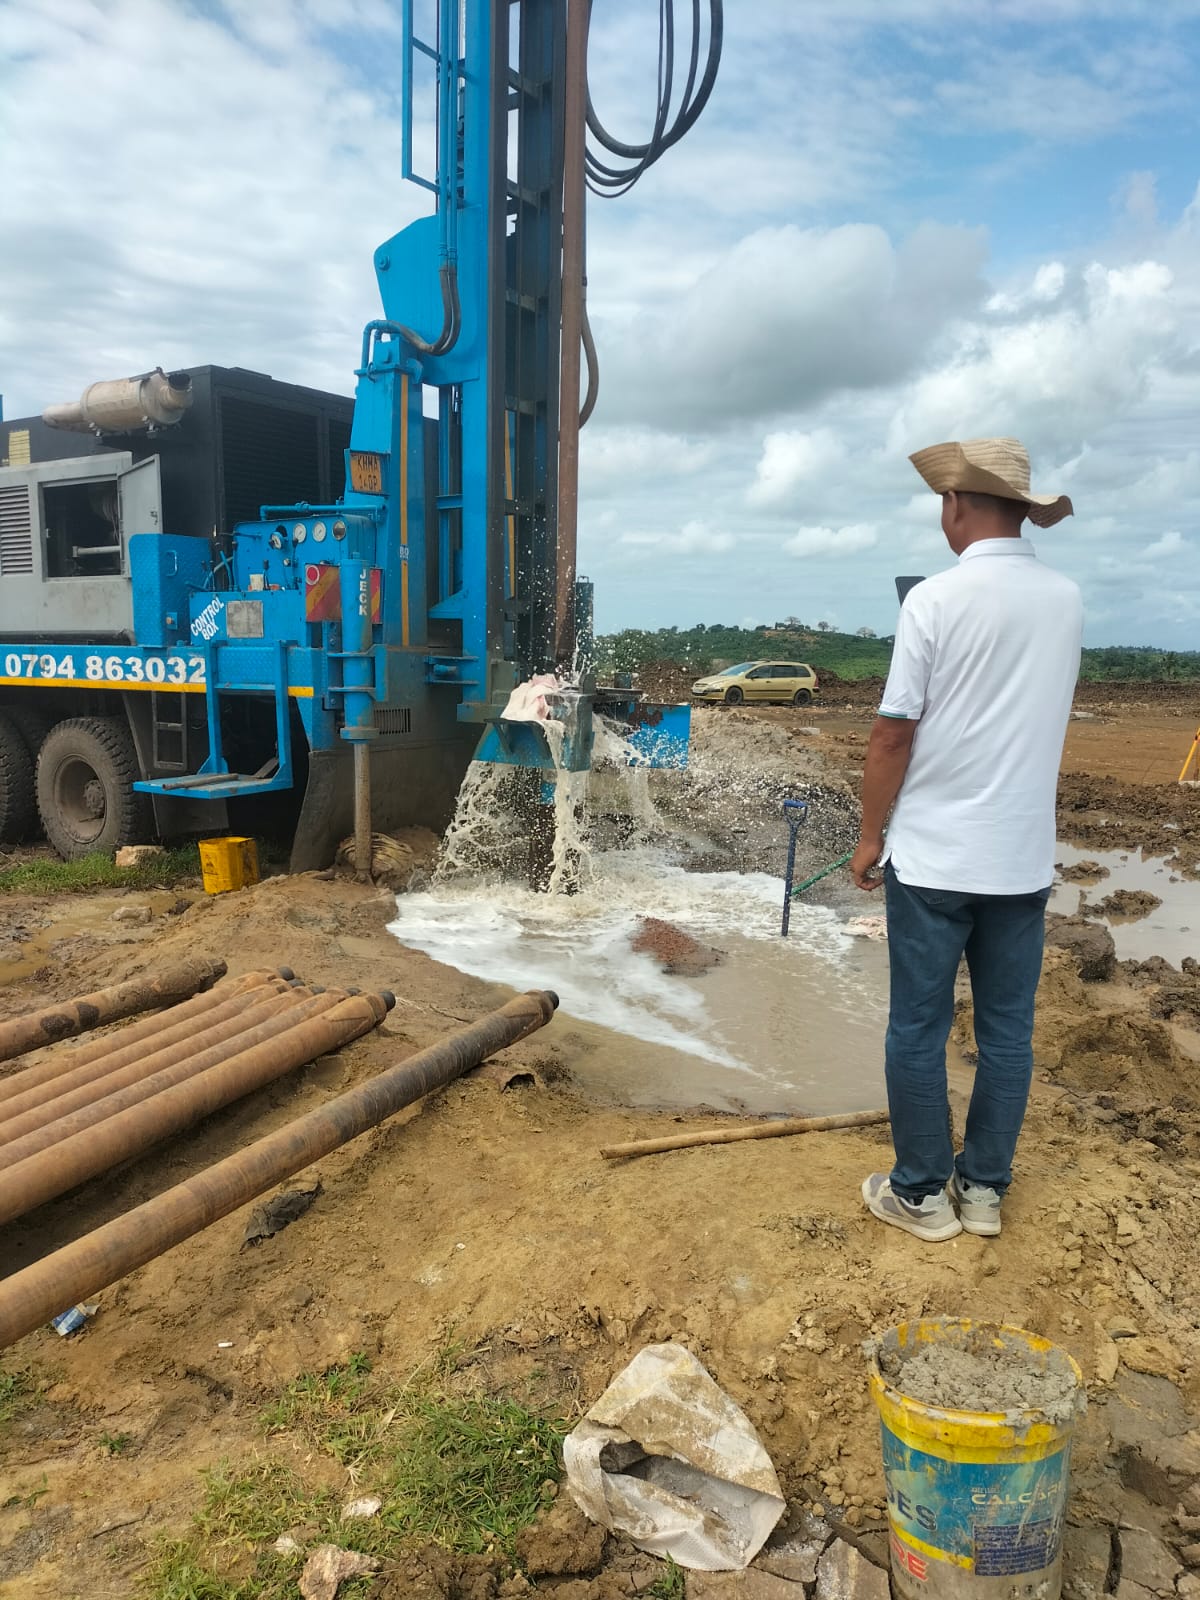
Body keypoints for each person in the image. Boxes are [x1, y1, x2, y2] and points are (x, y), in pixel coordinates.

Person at [850, 437, 1082, 1242]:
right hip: (1019, 861)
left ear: (956, 505)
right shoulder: (1066, 600)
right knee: (1006, 1031)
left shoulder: (935, 601)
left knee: (917, 1027)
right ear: (1023, 511)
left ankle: (920, 1193)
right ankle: (982, 1192)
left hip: (937, 856)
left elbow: (891, 736)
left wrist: (868, 836)